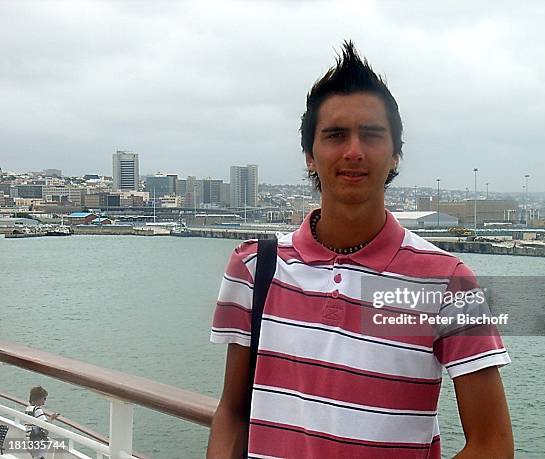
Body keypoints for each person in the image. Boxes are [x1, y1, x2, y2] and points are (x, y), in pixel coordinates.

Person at [208, 41, 513, 458]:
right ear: (310, 155)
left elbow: (492, 444)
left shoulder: (447, 281)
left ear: (395, 155)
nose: (354, 150)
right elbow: (232, 412)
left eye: (371, 135)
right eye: (335, 135)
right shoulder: (253, 267)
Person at [25, 386, 59, 459]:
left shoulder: (28, 408)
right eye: (44, 398)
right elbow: (45, 425)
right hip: (38, 442)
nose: (45, 401)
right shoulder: (37, 410)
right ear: (39, 398)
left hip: (30, 440)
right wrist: (51, 418)